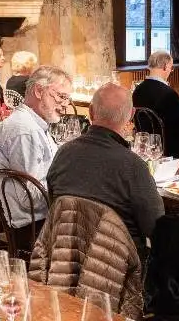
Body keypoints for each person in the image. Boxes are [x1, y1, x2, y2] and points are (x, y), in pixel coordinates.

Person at [47, 82, 164, 248]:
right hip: (118, 265)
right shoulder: (133, 166)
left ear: (91, 111)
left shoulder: (63, 153)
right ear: (131, 115)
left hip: (66, 256)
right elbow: (156, 227)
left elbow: (54, 204)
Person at [0, 65, 71, 238]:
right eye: (61, 97)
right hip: (31, 227)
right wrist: (68, 188)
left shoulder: (34, 123)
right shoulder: (26, 130)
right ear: (39, 91)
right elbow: (28, 199)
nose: (65, 105)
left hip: (39, 219)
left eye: (67, 99)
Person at [132, 50, 179, 159]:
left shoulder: (137, 91)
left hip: (145, 146)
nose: (170, 71)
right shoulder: (169, 94)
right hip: (168, 149)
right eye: (171, 68)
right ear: (165, 66)